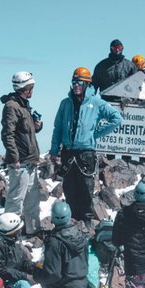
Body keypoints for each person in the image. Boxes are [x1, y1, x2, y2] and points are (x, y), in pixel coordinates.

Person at [49, 67, 123, 222]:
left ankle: (86, 224)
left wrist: (95, 134)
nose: (76, 85)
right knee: (69, 190)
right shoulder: (65, 103)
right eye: (74, 82)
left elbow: (117, 119)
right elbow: (58, 128)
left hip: (86, 154)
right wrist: (54, 150)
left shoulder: (96, 102)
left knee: (86, 191)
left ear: (87, 84)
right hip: (68, 152)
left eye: (80, 82)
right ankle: (71, 222)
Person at [0, 71, 43, 232]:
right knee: (15, 200)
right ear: (23, 88)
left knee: (32, 200)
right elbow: (7, 134)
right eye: (30, 87)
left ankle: (33, 231)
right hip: (21, 163)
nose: (32, 90)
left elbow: (25, 131)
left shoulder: (23, 105)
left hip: (30, 161)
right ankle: (9, 234)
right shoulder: (12, 106)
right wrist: (14, 158)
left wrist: (37, 125)